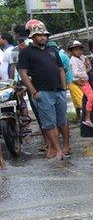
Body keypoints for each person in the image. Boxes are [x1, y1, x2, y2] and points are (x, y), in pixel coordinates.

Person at [17, 23, 67, 160]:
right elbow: (23, 73)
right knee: (49, 123)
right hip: (42, 92)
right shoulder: (26, 52)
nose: (43, 37)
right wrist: (33, 91)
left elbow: (61, 69)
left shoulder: (52, 50)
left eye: (45, 35)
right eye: (39, 35)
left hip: (58, 90)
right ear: (33, 36)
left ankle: (55, 149)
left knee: (61, 121)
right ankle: (58, 150)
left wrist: (64, 87)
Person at [66, 40, 93, 127]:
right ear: (71, 52)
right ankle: (88, 118)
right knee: (91, 98)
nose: (78, 51)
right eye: (75, 50)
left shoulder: (81, 57)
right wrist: (86, 71)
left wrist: (87, 65)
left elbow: (88, 66)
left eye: (80, 49)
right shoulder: (73, 60)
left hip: (85, 79)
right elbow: (76, 72)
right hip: (82, 81)